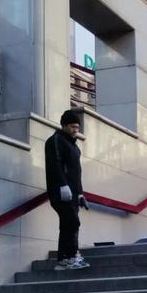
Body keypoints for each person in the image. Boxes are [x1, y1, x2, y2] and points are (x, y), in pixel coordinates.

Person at [44, 109, 90, 271]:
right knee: (71, 222)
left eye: (77, 127)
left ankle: (64, 258)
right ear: (63, 125)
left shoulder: (74, 147)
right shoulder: (55, 141)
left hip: (72, 193)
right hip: (61, 192)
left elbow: (76, 173)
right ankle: (71, 256)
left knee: (68, 224)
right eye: (72, 126)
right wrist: (62, 185)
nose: (75, 130)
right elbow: (54, 164)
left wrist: (80, 193)